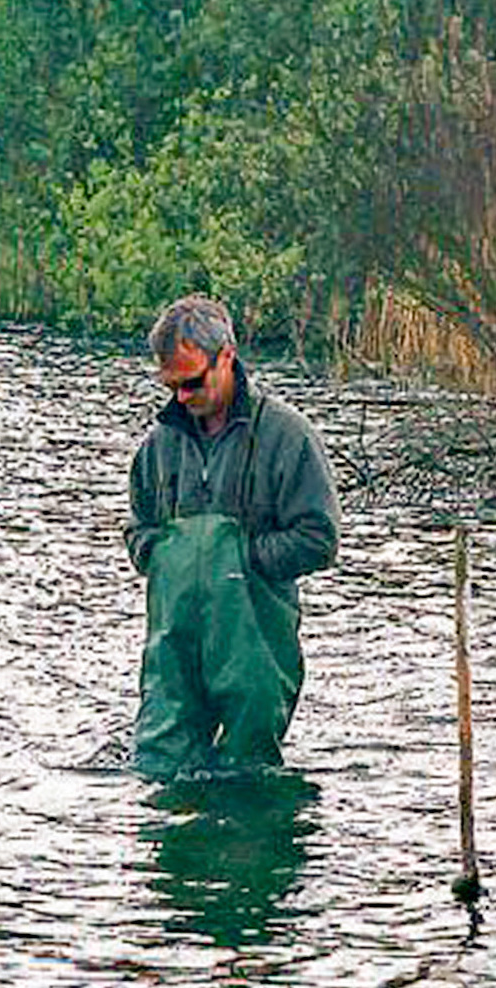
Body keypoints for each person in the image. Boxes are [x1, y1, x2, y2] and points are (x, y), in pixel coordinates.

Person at [125, 294, 340, 780]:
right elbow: (138, 528)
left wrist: (244, 556)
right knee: (156, 776)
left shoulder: (288, 436)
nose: (181, 397)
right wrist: (157, 553)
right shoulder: (157, 446)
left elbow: (319, 537)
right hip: (171, 657)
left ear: (227, 357)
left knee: (249, 786)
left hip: (255, 653)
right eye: (171, 385)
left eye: (192, 382)